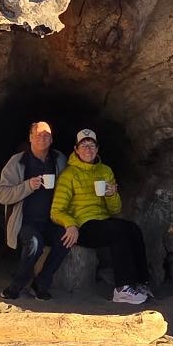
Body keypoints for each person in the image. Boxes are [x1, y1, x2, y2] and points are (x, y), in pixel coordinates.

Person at [50, 128, 152, 306]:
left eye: (91, 145)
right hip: (83, 225)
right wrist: (70, 224)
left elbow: (115, 209)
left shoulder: (105, 171)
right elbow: (56, 211)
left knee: (133, 228)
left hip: (103, 221)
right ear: (76, 150)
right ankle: (122, 289)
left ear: (97, 149)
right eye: (84, 145)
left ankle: (141, 282)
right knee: (118, 231)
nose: (88, 149)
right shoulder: (69, 175)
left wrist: (112, 194)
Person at [0, 120, 67, 301]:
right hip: (25, 222)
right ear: (30, 138)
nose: (43, 138)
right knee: (35, 243)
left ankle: (41, 282)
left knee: (66, 238)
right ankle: (16, 286)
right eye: (38, 135)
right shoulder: (18, 162)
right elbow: (2, 195)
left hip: (52, 220)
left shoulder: (59, 160)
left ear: (52, 139)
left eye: (47, 135)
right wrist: (27, 186)